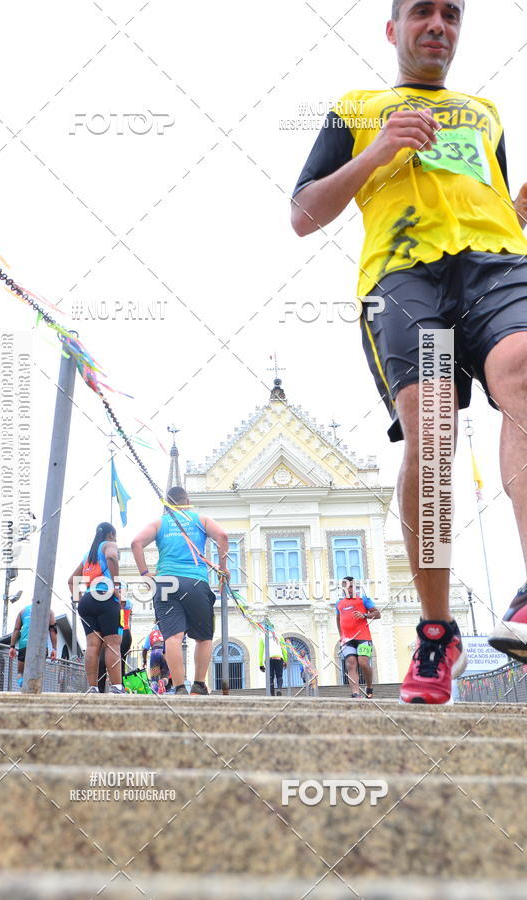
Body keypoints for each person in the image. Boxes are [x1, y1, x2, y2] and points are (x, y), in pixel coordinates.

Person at [291, 0, 527, 703]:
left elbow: (492, 202)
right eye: (422, 13)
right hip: (404, 276)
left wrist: (519, 209)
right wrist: (378, 151)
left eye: (451, 15)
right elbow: (303, 213)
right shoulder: (359, 107)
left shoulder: (483, 113)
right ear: (393, 30)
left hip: (496, 265)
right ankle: (435, 631)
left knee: (522, 370)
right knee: (434, 430)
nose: (438, 25)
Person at [131, 486, 229, 695]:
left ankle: (178, 687)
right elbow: (222, 536)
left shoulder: (160, 523)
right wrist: (223, 568)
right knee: (203, 637)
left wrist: (145, 573)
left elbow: (136, 542)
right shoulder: (200, 520)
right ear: (187, 500)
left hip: (166, 581)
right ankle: (198, 685)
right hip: (195, 582)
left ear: (167, 504)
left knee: (173, 638)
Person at [68, 522, 124, 695]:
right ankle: (116, 687)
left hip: (87, 600)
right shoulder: (109, 544)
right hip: (105, 596)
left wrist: (80, 599)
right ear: (111, 534)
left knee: (92, 645)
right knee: (113, 644)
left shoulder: (88, 555)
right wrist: (115, 586)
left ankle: (92, 687)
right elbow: (112, 557)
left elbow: (71, 580)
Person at [335, 578, 381, 699]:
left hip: (363, 637)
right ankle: (355, 693)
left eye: (350, 586)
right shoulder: (339, 603)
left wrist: (365, 615)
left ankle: (369, 686)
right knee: (351, 664)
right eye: (345, 587)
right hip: (347, 640)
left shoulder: (363, 599)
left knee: (363, 662)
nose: (348, 589)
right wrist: (341, 635)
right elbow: (338, 619)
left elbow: (378, 614)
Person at [9, 604, 57, 688]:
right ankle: (33, 688)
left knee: (20, 673)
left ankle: (22, 685)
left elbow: (16, 629)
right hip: (41, 646)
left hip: (25, 645)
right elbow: (52, 630)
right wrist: (54, 649)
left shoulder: (23, 611)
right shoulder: (49, 611)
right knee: (37, 675)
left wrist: (12, 647)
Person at [97, 595, 133, 693]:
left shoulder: (124, 601)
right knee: (103, 662)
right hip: (114, 633)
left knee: (114, 662)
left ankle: (118, 688)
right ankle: (105, 689)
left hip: (121, 633)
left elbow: (123, 602)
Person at [142, 624, 171, 693]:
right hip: (165, 654)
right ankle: (162, 682)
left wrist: (144, 661)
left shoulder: (151, 634)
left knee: (154, 679)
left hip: (155, 653)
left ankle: (154, 695)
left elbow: (145, 649)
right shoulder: (167, 632)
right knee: (165, 676)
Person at [259, 630, 288, 696]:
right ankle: (279, 689)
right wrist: (286, 660)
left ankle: (272, 695)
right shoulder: (279, 635)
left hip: (268, 659)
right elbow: (284, 649)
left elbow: (260, 651)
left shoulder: (262, 636)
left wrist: (260, 664)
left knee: (270, 677)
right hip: (278, 658)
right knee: (279, 676)